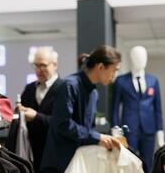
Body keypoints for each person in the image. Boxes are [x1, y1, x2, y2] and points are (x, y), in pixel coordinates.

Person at [41, 45, 122, 173]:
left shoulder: (93, 93)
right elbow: (63, 123)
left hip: (79, 161)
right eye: (114, 70)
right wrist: (98, 138)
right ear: (101, 67)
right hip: (59, 163)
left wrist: (101, 139)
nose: (115, 75)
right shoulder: (70, 85)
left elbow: (87, 129)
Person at [112, 45, 163, 173]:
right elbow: (114, 108)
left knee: (149, 161)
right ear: (131, 58)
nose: (141, 60)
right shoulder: (121, 81)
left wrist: (160, 131)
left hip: (148, 129)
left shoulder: (153, 81)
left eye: (143, 57)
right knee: (130, 161)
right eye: (137, 57)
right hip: (129, 129)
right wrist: (115, 129)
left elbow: (158, 108)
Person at [17, 46, 63, 173]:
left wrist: (36, 116)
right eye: (35, 65)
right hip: (31, 155)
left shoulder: (64, 89)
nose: (38, 70)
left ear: (54, 64)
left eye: (43, 65)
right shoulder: (29, 88)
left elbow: (64, 124)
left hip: (55, 156)